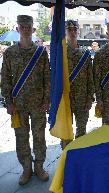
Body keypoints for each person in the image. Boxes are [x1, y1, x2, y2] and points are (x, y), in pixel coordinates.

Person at [1, 15, 50, 185]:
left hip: (38, 104)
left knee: (39, 137)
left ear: (33, 29)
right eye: (22, 26)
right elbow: (5, 79)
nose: (25, 29)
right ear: (17, 29)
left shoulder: (41, 52)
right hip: (18, 105)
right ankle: (26, 168)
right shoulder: (10, 53)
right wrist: (8, 102)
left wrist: (46, 100)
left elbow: (47, 78)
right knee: (21, 137)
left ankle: (39, 167)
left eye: (28, 26)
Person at [61, 20, 95, 149]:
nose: (73, 32)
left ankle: (79, 160)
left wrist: (90, 98)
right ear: (65, 32)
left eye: (75, 29)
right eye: (69, 29)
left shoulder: (84, 54)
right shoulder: (61, 53)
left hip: (82, 99)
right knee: (66, 134)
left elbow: (90, 78)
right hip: (65, 99)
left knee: (81, 132)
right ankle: (66, 160)